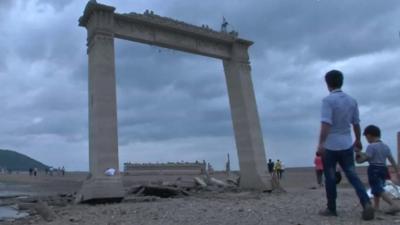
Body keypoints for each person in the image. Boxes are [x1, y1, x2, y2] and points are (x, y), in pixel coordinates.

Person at [316, 70, 374, 220]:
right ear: (341, 81)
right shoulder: (351, 100)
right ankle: (366, 203)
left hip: (331, 145)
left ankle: (332, 208)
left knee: (330, 176)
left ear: (327, 83)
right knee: (352, 175)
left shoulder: (328, 101)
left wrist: (321, 143)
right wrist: (358, 139)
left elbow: (326, 124)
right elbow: (356, 123)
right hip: (347, 142)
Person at [356, 125, 400, 214]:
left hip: (374, 168)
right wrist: (397, 170)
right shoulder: (385, 146)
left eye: (366, 137)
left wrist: (358, 154)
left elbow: (366, 158)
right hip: (383, 169)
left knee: (377, 188)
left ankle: (393, 204)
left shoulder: (371, 146)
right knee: (377, 188)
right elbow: (391, 159)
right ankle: (376, 207)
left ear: (369, 135)